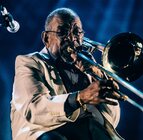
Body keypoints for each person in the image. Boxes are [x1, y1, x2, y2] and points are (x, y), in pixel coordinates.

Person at [10, 8, 124, 140]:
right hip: (43, 134)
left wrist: (97, 73)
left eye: (76, 32)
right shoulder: (29, 62)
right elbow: (34, 109)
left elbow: (111, 120)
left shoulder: (87, 68)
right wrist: (80, 97)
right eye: (62, 32)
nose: (71, 39)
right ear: (46, 38)